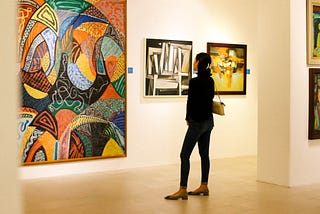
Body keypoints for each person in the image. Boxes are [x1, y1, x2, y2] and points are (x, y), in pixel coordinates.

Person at [165, 52, 215, 200]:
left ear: (199, 62)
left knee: (184, 154)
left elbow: (191, 102)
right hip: (208, 122)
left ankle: (182, 189)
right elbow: (209, 100)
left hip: (197, 123)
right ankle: (204, 185)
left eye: (195, 60)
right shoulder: (210, 81)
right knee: (204, 154)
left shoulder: (195, 82)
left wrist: (188, 118)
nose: (193, 63)